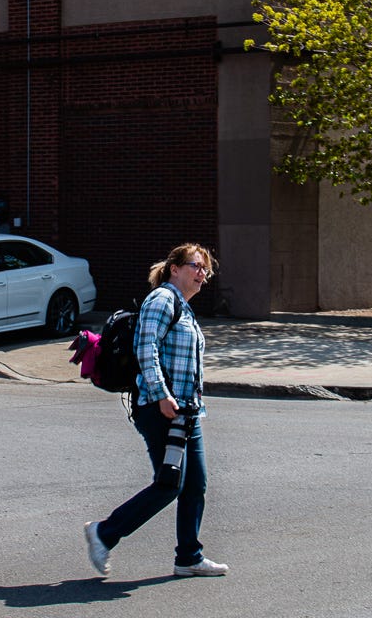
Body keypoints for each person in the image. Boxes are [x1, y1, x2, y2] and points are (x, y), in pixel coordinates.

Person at [84, 243, 229, 578]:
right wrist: (163, 395)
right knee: (169, 484)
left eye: (205, 269)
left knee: (195, 484)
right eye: (195, 266)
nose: (201, 273)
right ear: (174, 268)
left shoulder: (184, 307)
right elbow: (144, 349)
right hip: (159, 408)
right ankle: (104, 533)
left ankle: (189, 557)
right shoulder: (163, 299)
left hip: (186, 412)